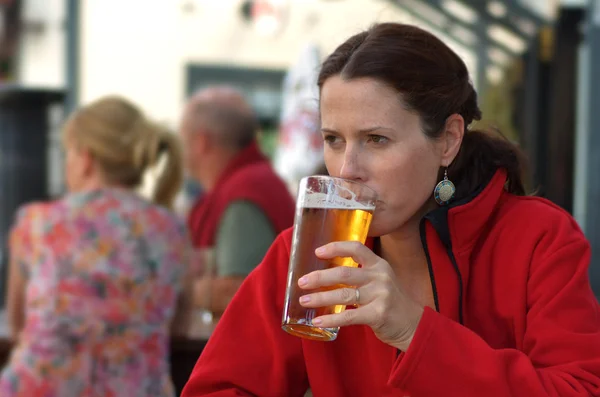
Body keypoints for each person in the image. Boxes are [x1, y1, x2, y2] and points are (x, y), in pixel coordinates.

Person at [181, 23, 600, 397]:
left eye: (376, 140)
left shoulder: (537, 237)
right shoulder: (310, 249)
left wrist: (414, 332)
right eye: (333, 139)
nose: (348, 170)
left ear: (449, 140)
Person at [1, 96, 194, 397]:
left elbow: (18, 324)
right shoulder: (170, 229)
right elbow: (179, 325)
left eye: (67, 153)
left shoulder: (38, 223)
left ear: (85, 157)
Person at [179, 86, 295, 317]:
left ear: (201, 142)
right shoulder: (256, 180)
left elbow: (240, 291)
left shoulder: (244, 194)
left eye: (182, 137)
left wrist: (179, 289)